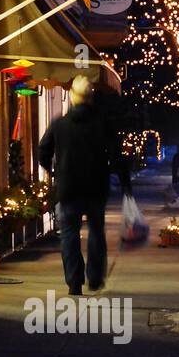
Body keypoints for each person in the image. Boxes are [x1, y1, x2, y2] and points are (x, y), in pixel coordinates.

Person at [38, 75, 132, 296]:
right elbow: (117, 155)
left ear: (71, 98)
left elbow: (43, 150)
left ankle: (74, 282)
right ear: (91, 99)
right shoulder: (102, 124)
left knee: (69, 234)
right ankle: (95, 278)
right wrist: (125, 182)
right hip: (95, 188)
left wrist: (53, 170)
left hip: (68, 188)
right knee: (96, 232)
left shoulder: (59, 125)